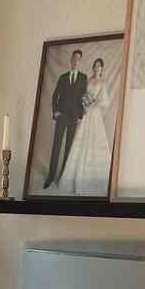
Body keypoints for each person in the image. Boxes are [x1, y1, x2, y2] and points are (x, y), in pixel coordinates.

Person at [58, 57, 112, 197]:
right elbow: (82, 95)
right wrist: (84, 103)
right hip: (86, 114)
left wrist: (93, 104)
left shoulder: (102, 82)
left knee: (94, 142)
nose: (97, 68)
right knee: (80, 142)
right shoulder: (88, 80)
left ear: (102, 68)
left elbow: (104, 101)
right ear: (93, 67)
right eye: (95, 66)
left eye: (99, 66)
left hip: (95, 115)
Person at [44, 49, 88, 189]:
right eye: (74, 58)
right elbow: (55, 95)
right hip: (62, 116)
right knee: (56, 146)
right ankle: (50, 177)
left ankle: (62, 177)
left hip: (74, 118)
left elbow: (83, 98)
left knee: (69, 148)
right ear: (71, 60)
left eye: (78, 59)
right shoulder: (63, 77)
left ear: (80, 62)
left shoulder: (83, 78)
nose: (76, 61)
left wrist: (80, 116)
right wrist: (56, 111)